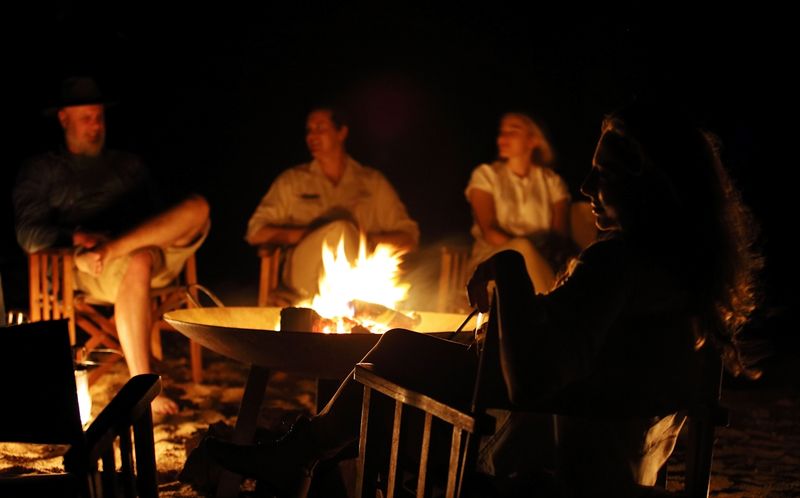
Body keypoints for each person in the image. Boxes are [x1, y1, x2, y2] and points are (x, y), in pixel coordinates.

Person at [205, 100, 761, 497]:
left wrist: (509, 271)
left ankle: (305, 456)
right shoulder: (685, 265)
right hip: (621, 449)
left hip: (560, 463)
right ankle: (305, 452)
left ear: (648, 184)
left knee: (397, 358)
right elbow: (580, 345)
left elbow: (534, 381)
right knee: (405, 346)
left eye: (603, 176)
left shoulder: (619, 262)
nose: (588, 190)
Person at [13, 77, 210, 415]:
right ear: (63, 118)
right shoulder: (44, 170)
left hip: (138, 251)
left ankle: (115, 248)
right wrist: (76, 238)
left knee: (198, 207)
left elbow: (159, 216)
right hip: (87, 265)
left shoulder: (127, 165)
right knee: (139, 259)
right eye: (86, 117)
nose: (95, 125)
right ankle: (144, 384)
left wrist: (123, 243)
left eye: (99, 117)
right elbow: (28, 234)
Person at [245, 107, 419, 300]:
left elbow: (409, 237)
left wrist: (362, 239)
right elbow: (255, 232)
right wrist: (309, 234)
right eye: (309, 130)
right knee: (339, 230)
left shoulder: (372, 182)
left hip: (360, 268)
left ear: (341, 132)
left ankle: (348, 307)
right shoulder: (293, 181)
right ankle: (355, 303)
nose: (312, 136)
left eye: (320, 128)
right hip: (304, 271)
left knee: (344, 232)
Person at [466, 112, 576, 293]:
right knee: (522, 248)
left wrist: (539, 256)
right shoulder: (486, 175)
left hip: (543, 261)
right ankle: (554, 308)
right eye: (502, 131)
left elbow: (560, 235)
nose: (503, 137)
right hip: (494, 260)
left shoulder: (552, 182)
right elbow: (489, 231)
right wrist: (527, 251)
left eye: (513, 130)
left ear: (533, 140)